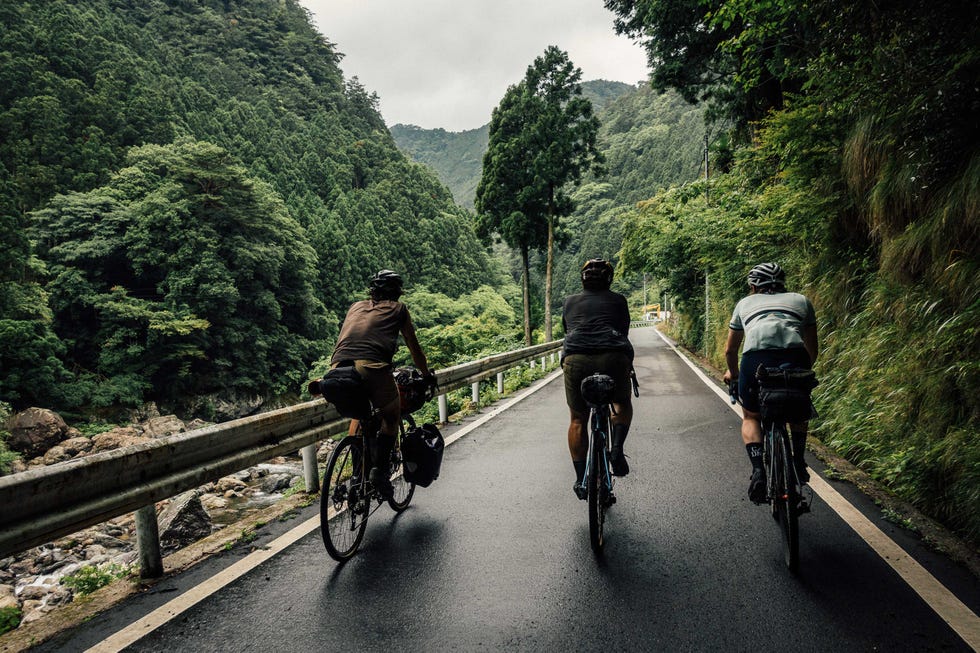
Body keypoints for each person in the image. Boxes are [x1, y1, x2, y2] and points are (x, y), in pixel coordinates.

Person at [328, 270, 432, 499]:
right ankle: (380, 472)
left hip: (337, 368)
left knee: (360, 414)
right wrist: (427, 375)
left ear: (372, 290)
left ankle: (357, 476)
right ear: (397, 291)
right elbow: (414, 349)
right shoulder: (399, 309)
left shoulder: (355, 306)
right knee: (391, 416)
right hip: (371, 366)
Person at [723, 262, 818, 504]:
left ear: (753, 286)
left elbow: (730, 350)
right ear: (782, 283)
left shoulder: (744, 304)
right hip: (795, 358)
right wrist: (803, 371)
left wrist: (733, 374)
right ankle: (797, 459)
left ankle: (758, 470)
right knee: (798, 411)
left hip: (756, 361)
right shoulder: (801, 300)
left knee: (752, 416)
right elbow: (812, 346)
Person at [561, 258, 635, 500]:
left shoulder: (569, 302)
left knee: (578, 419)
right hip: (613, 357)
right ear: (609, 279)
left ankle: (581, 479)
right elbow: (623, 331)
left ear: (582, 279)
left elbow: (567, 330)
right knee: (622, 404)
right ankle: (616, 449)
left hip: (576, 359)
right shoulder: (618, 300)